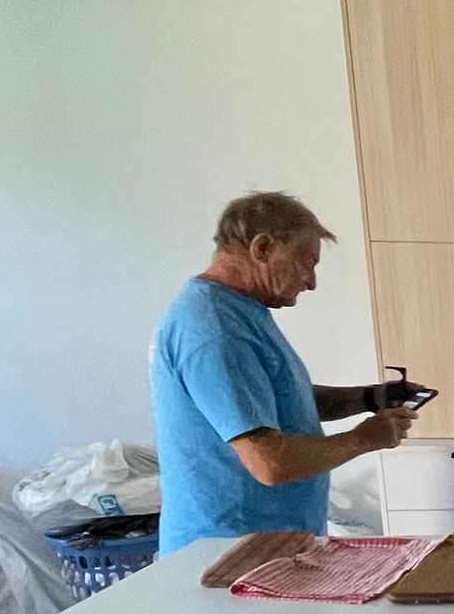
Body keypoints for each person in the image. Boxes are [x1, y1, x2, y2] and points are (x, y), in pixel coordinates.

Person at [150, 191, 417, 554]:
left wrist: (370, 397)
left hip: (264, 544)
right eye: (306, 263)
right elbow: (270, 463)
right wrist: (364, 439)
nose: (311, 281)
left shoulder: (240, 312)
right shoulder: (214, 330)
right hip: (228, 551)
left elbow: (281, 401)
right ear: (262, 248)